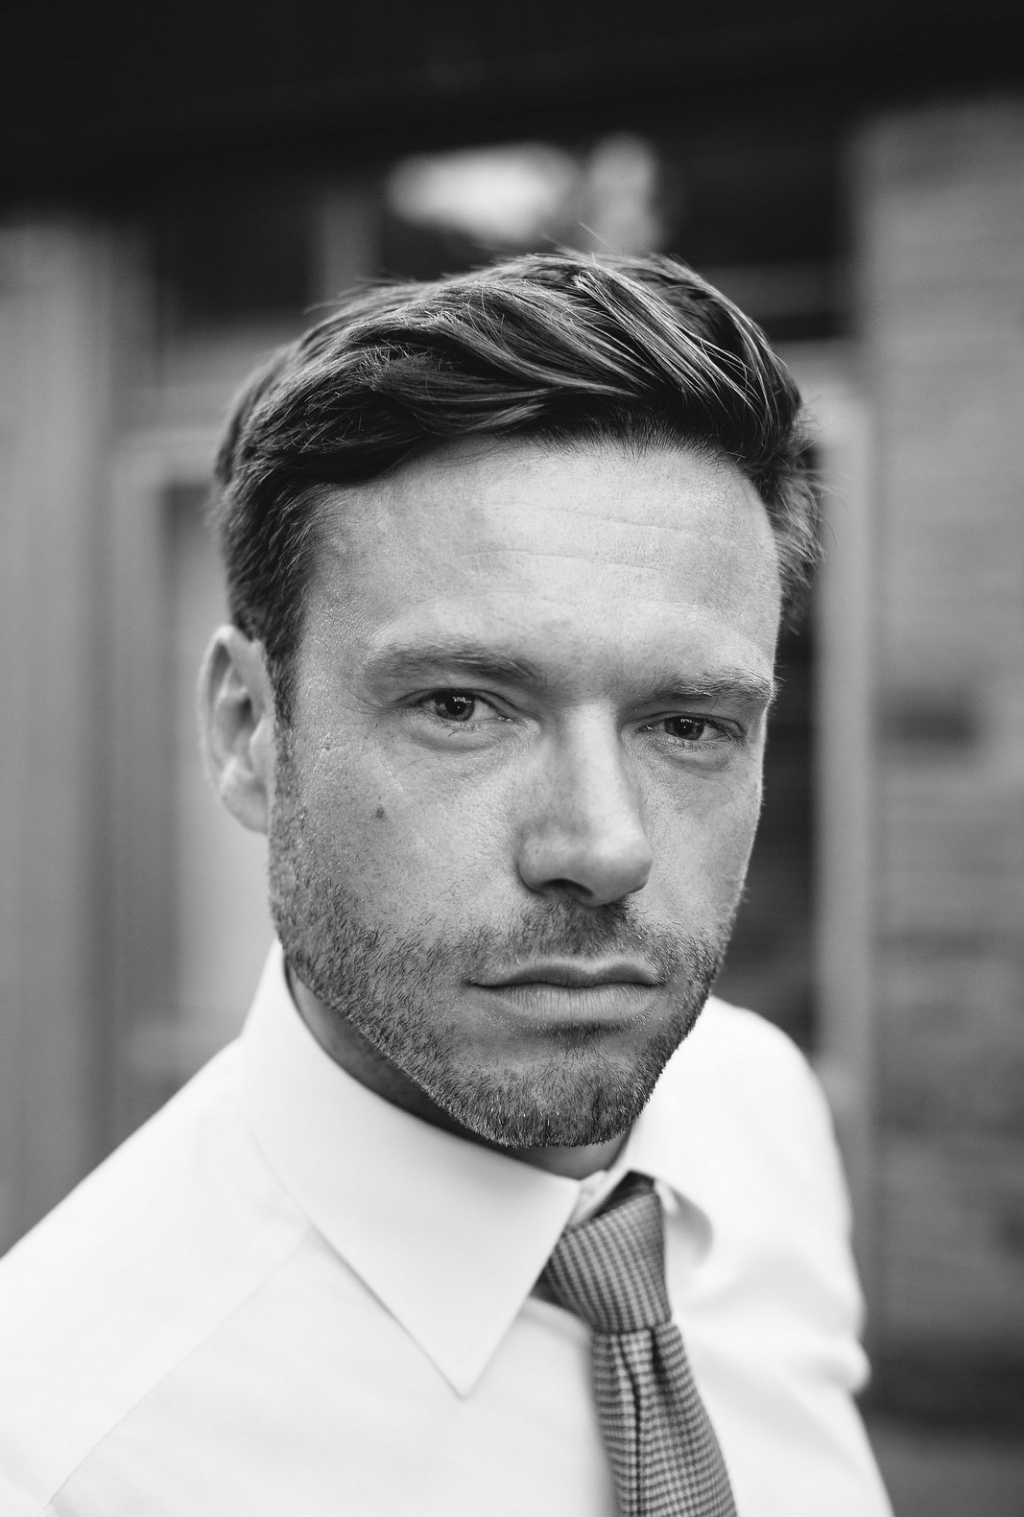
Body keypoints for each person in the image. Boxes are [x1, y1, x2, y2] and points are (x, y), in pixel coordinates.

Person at [0, 252, 891, 1516]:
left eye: (689, 722)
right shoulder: (60, 1450)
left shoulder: (753, 1107)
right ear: (249, 729)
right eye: (462, 705)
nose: (605, 845)